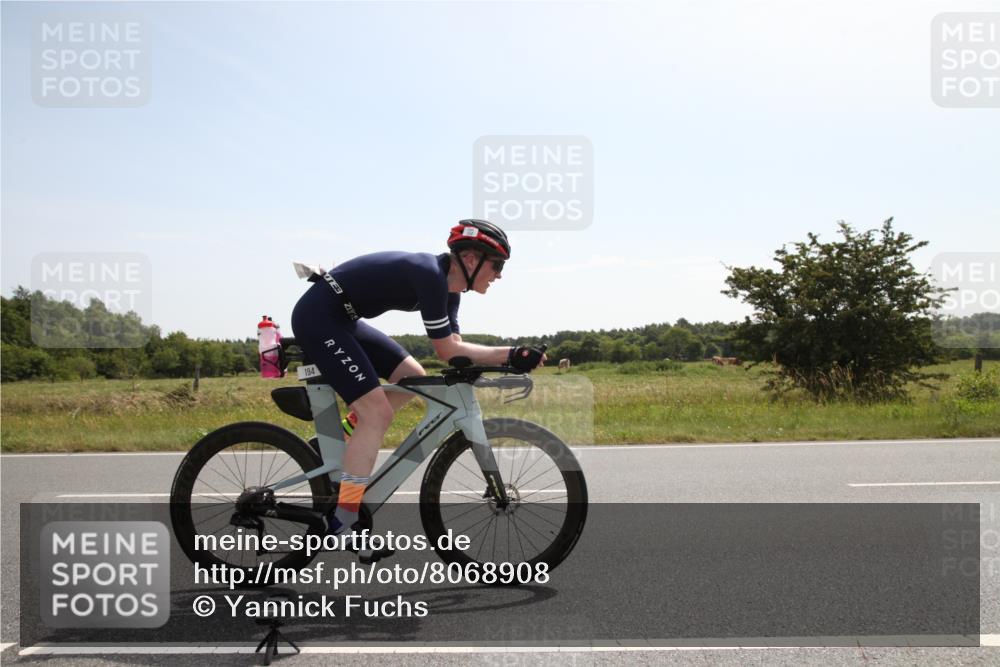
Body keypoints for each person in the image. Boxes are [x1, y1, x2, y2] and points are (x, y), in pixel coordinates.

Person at [290, 219, 546, 537]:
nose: (499, 274)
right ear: (470, 259)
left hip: (342, 319)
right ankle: (344, 518)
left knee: (412, 377)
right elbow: (446, 348)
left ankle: (343, 434)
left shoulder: (450, 293)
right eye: (496, 265)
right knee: (378, 413)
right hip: (320, 318)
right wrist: (511, 353)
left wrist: (500, 363)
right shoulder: (430, 275)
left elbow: (456, 352)